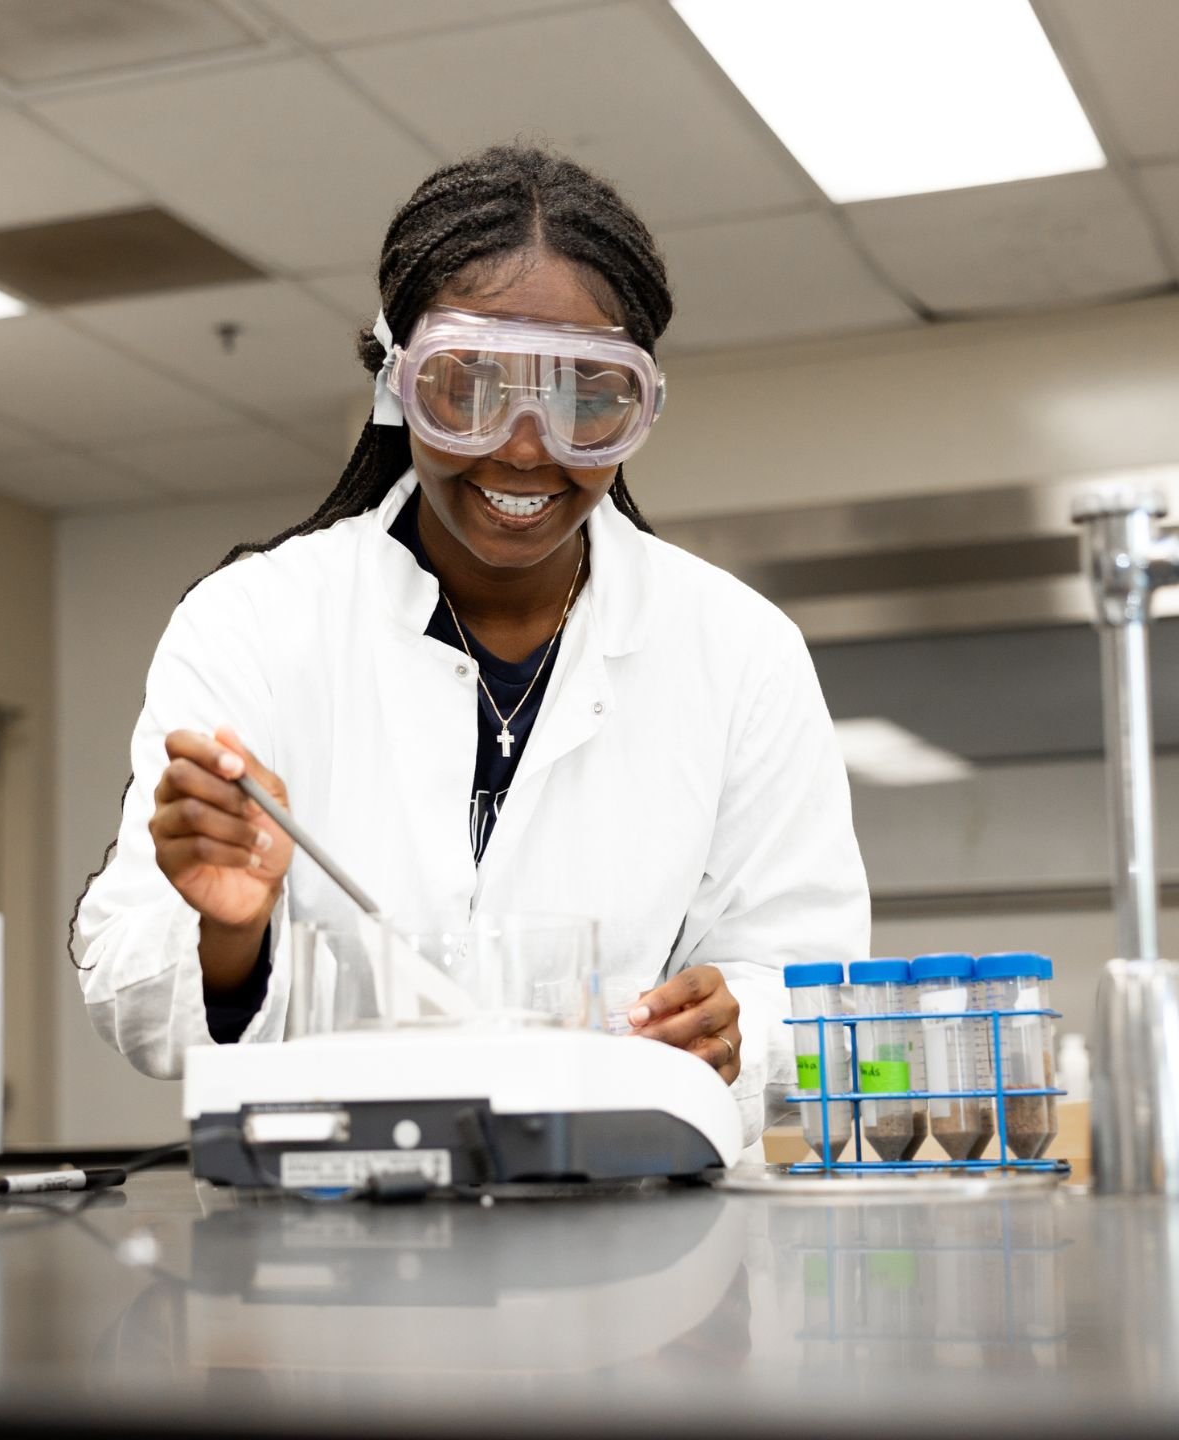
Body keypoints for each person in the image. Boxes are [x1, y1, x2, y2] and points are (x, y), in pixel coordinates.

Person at [71, 145, 869, 1155]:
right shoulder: (256, 624)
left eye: (589, 393)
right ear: (397, 381)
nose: (527, 446)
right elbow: (130, 988)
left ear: (642, 405)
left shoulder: (739, 650)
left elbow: (813, 987)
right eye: (469, 386)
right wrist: (234, 935)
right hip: (333, 1248)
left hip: (637, 1260)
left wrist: (738, 1032)